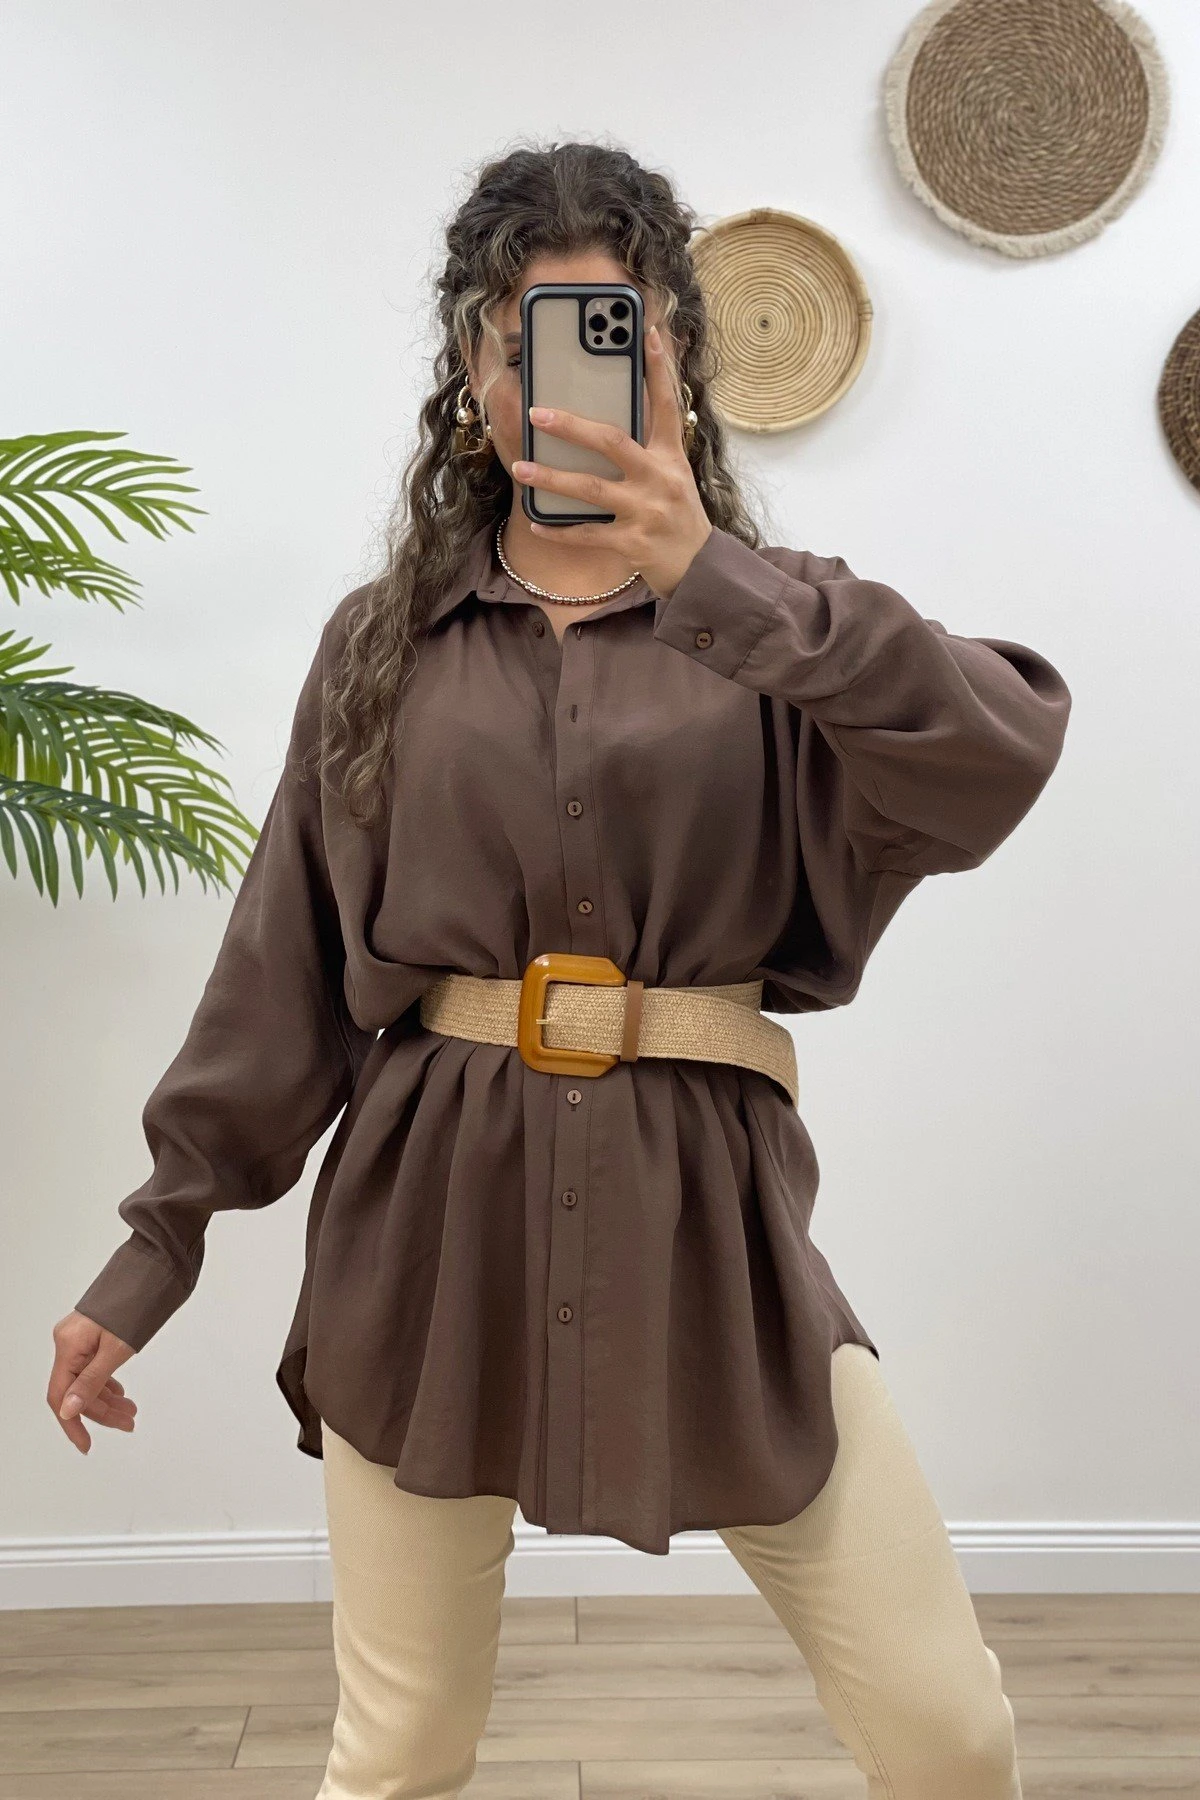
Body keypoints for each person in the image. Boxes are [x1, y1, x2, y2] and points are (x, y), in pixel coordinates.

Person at [51, 141, 1071, 1799]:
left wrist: (711, 578)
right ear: (472, 375)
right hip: (426, 1236)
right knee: (400, 1747)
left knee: (947, 1726)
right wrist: (151, 1254)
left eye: (615, 332)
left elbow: (997, 753)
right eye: (523, 336)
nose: (562, 378)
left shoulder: (786, 629)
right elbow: (282, 969)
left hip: (711, 1230)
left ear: (676, 362)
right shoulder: (381, 644)